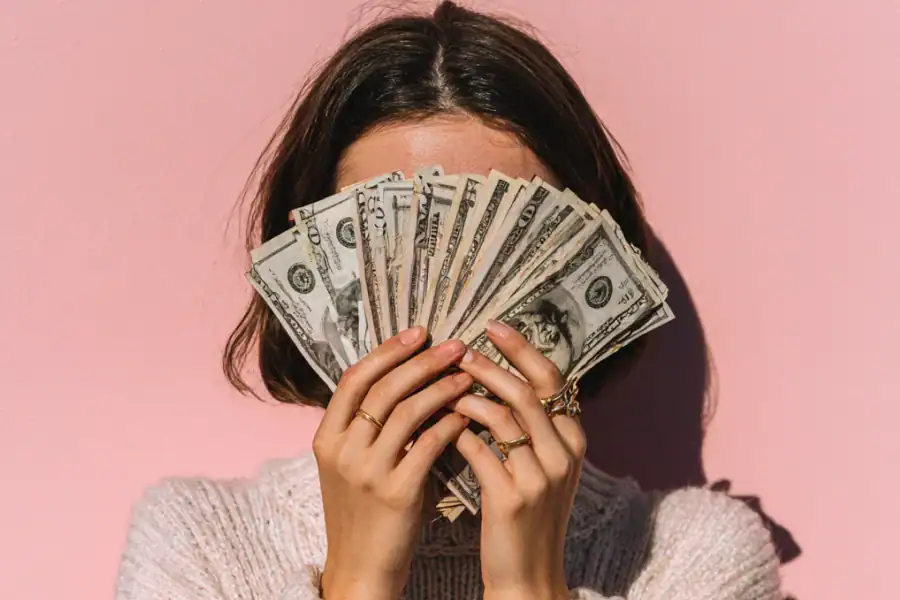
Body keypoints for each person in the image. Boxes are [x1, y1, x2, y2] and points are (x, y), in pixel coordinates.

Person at [116, 3, 781, 599]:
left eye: (499, 246)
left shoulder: (692, 557)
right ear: (317, 266)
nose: (449, 326)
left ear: (583, 260)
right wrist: (355, 584)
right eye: (399, 248)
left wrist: (529, 587)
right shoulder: (197, 545)